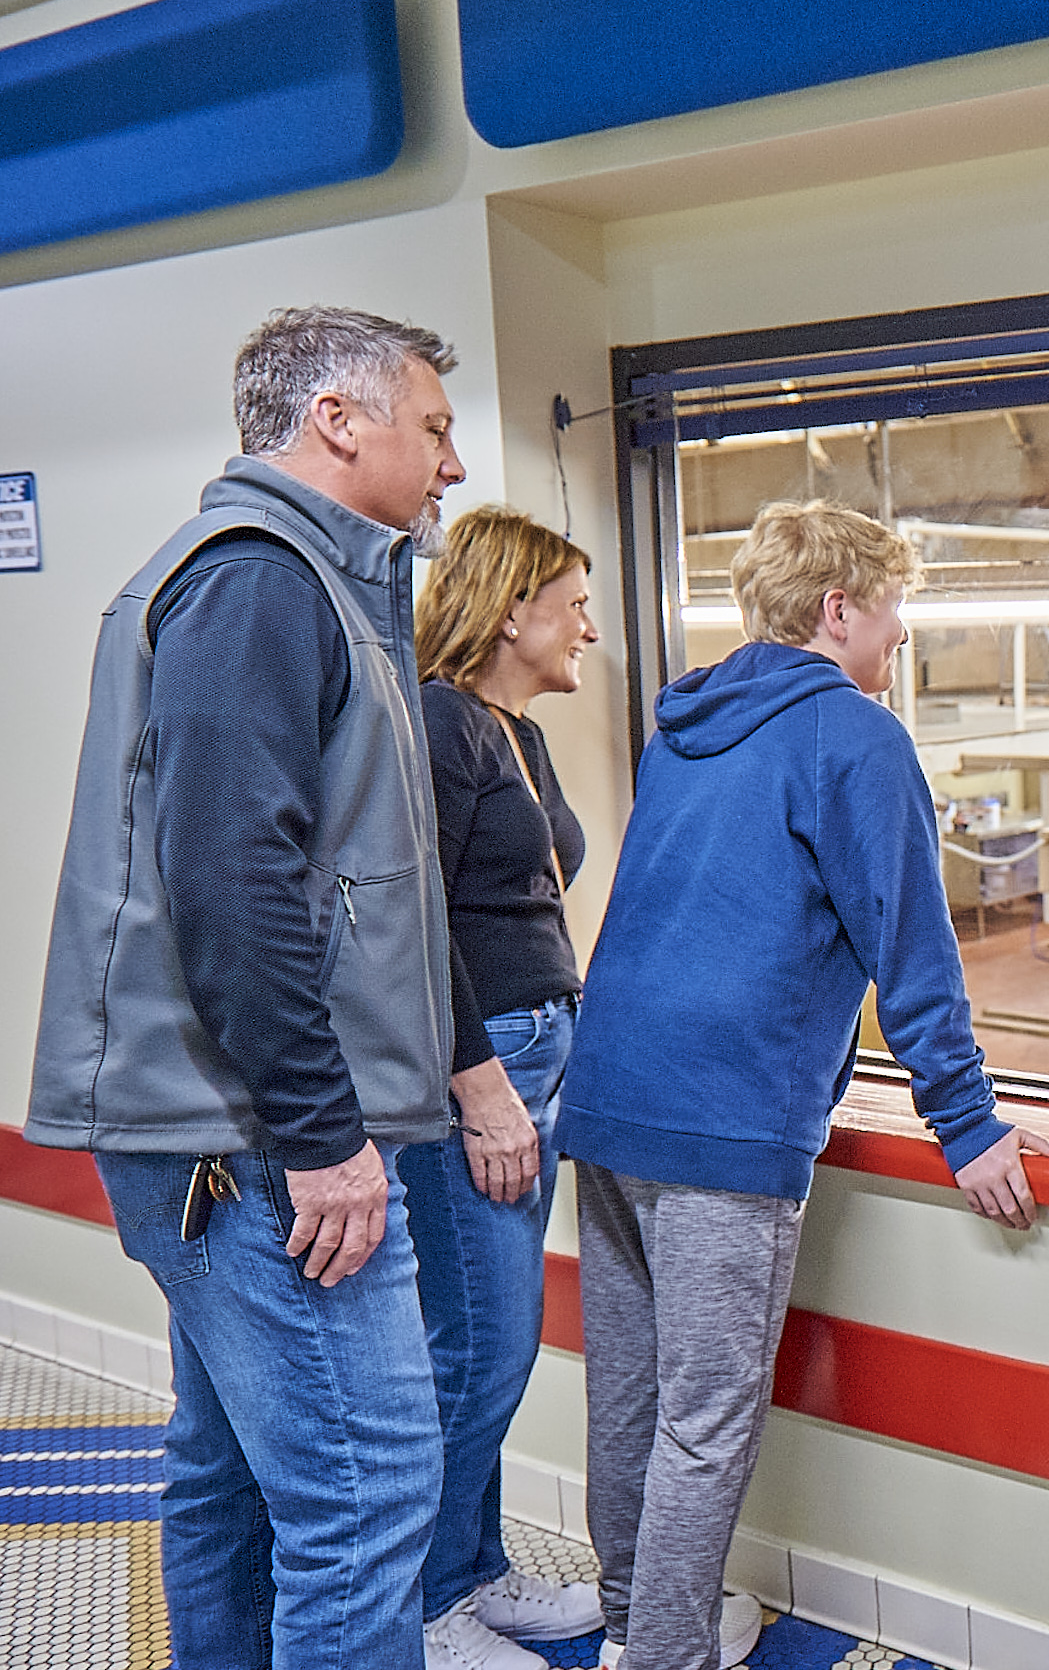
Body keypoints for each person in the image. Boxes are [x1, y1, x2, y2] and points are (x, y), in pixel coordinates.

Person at [27, 306, 465, 1669]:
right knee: (365, 1490)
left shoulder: (299, 580)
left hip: (236, 1127)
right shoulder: (262, 578)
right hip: (261, 1140)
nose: (452, 464)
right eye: (436, 426)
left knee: (230, 1473)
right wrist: (326, 1133)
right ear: (340, 420)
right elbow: (229, 877)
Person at [556, 500, 1049, 1670]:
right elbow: (912, 943)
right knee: (704, 1419)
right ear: (839, 610)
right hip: (727, 1115)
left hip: (613, 1092)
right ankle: (667, 1653)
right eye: (891, 618)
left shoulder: (684, 724)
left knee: (629, 1391)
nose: (896, 646)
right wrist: (968, 1120)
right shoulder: (855, 736)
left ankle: (638, 1615)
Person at [407, 508, 606, 1667]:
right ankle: (427, 1606)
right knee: (478, 1348)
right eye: (573, 601)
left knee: (501, 1341)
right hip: (481, 1069)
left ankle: (474, 1572)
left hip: (540, 1050)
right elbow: (411, 919)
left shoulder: (516, 731)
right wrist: (478, 1081)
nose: (588, 623)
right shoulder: (441, 722)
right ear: (511, 606)